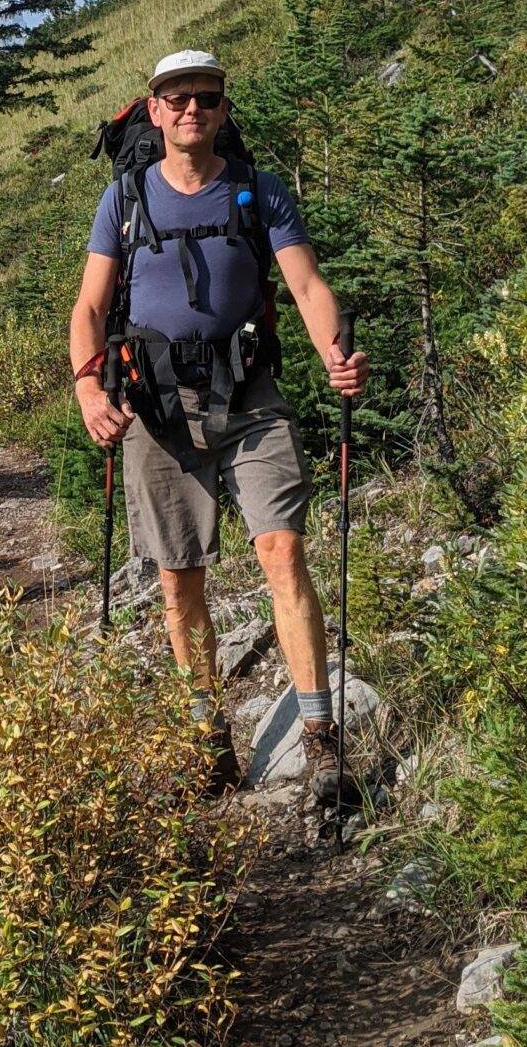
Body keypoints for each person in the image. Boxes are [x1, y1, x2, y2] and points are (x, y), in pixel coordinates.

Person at [69, 48, 367, 794]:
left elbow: (305, 283)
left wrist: (336, 352)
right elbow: (90, 308)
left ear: (223, 108)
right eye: (177, 97)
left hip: (251, 397)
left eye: (205, 96)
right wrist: (87, 390)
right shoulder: (127, 199)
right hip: (157, 408)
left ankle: (321, 735)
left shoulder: (259, 193)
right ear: (155, 109)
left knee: (283, 553)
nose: (192, 108)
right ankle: (209, 738)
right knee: (178, 582)